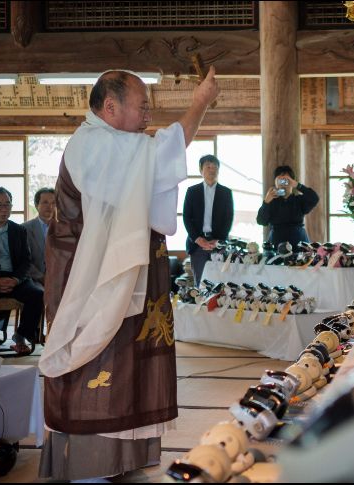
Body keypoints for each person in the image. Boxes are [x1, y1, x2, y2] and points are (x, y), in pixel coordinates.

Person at [38, 68, 219, 481]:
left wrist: (200, 106)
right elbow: (164, 153)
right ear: (110, 107)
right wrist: (199, 103)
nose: (148, 116)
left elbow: (159, 161)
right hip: (89, 277)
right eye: (143, 107)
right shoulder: (94, 144)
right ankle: (90, 463)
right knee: (98, 357)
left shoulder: (116, 146)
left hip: (122, 271)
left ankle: (125, 458)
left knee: (128, 357)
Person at [0, 187, 44, 355]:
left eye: (7, 204)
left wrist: (16, 279)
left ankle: (21, 335)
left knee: (37, 294)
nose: (4, 209)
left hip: (15, 277)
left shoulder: (19, 230)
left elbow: (26, 261)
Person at [182, 154, 233, 283]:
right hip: (197, 244)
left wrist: (219, 240)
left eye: (215, 167)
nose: (212, 170)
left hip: (218, 244)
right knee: (200, 284)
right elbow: (186, 217)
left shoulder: (226, 192)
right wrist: (197, 239)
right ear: (201, 170)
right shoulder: (192, 191)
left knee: (219, 283)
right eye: (208, 167)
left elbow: (228, 219)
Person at [256, 165, 319, 248]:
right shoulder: (271, 202)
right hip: (276, 246)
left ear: (292, 181)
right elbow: (261, 221)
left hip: (299, 245)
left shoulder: (299, 200)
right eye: (280, 180)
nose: (283, 183)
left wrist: (297, 185)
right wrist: (266, 202)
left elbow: (314, 198)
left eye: (286, 180)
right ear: (275, 182)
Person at [23, 187, 56, 287]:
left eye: (53, 203)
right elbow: (24, 261)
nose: (50, 206)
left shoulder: (64, 229)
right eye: (45, 202)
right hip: (35, 279)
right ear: (37, 205)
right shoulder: (24, 229)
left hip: (59, 278)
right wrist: (42, 278)